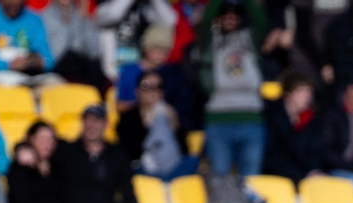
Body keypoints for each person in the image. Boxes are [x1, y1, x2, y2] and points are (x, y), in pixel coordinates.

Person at [198, 0, 266, 178]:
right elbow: (206, 19)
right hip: (219, 120)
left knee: (251, 180)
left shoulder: (250, 38)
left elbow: (261, 20)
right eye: (225, 13)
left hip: (251, 119)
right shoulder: (209, 40)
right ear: (218, 17)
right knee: (220, 179)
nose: (230, 17)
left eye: (235, 14)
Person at [54, 103, 137, 203]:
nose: (91, 125)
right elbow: (42, 143)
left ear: (105, 124)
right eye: (87, 120)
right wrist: (22, 149)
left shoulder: (116, 154)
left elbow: (128, 192)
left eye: (96, 120)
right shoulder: (67, 152)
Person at [116, 69, 191, 177]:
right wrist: (146, 126)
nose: (153, 90)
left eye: (158, 86)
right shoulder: (128, 117)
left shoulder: (169, 113)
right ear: (137, 91)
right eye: (146, 85)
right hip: (142, 172)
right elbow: (129, 154)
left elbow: (184, 152)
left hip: (173, 170)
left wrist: (175, 126)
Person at [261, 67, 322, 180]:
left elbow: (314, 153)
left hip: (304, 179)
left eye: (309, 91)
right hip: (275, 179)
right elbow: (271, 159)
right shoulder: (271, 117)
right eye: (301, 91)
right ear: (288, 93)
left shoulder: (310, 120)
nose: (307, 96)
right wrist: (303, 176)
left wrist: (314, 170)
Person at [7, 119, 63, 203]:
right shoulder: (20, 166)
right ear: (31, 140)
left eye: (51, 139)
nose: (47, 144)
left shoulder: (59, 164)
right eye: (42, 139)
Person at [0, 0, 53, 76]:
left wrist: (40, 62)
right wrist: (8, 65)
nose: (14, 3)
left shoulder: (34, 19)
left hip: (27, 76)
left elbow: (48, 58)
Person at [40, 0, 108, 89]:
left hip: (85, 71)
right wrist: (65, 22)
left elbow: (95, 52)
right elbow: (55, 55)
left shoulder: (80, 14)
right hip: (59, 70)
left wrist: (84, 21)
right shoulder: (43, 17)